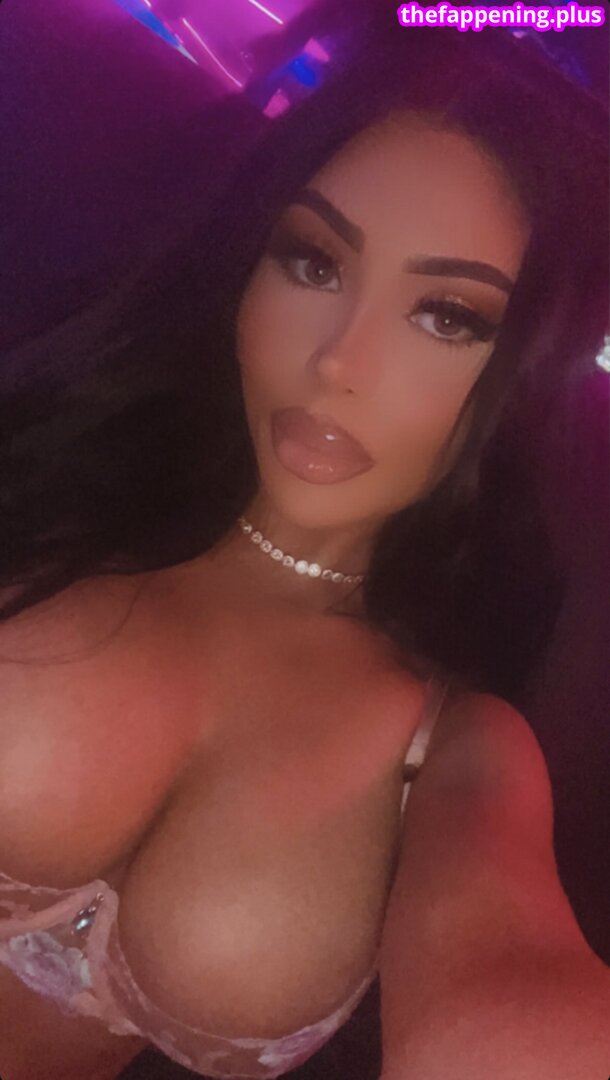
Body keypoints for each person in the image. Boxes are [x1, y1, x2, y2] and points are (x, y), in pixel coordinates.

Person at [0, 9, 608, 1079]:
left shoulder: (457, 748)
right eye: (314, 262)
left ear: (519, 376)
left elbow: (511, 995)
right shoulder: (52, 488)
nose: (339, 361)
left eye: (447, 316)